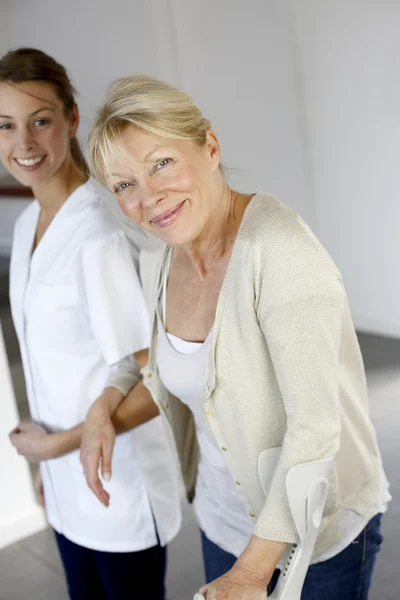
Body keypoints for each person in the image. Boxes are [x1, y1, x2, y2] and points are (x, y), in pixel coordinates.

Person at [81, 74, 391, 600]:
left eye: (161, 163)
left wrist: (250, 574)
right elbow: (164, 355)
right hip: (222, 517)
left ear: (210, 145)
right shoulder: (158, 254)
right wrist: (105, 402)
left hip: (314, 532)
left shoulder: (280, 253)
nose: (150, 197)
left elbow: (314, 430)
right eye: (124, 185)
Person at [1, 50, 181, 600]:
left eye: (40, 121)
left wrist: (54, 449)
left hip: (116, 490)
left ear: (72, 119)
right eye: (5, 125)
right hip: (65, 487)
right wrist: (49, 468)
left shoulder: (98, 232)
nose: (24, 144)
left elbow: (155, 381)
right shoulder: (31, 220)